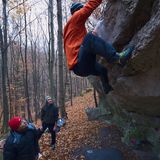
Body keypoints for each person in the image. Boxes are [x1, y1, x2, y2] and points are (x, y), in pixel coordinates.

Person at [63, 0, 134, 94]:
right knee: (89, 38)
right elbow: (90, 6)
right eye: (81, 9)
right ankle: (118, 58)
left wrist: (94, 33)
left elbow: (83, 44)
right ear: (77, 10)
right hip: (80, 64)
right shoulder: (76, 17)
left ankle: (106, 88)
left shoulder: (72, 28)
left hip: (81, 68)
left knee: (102, 70)